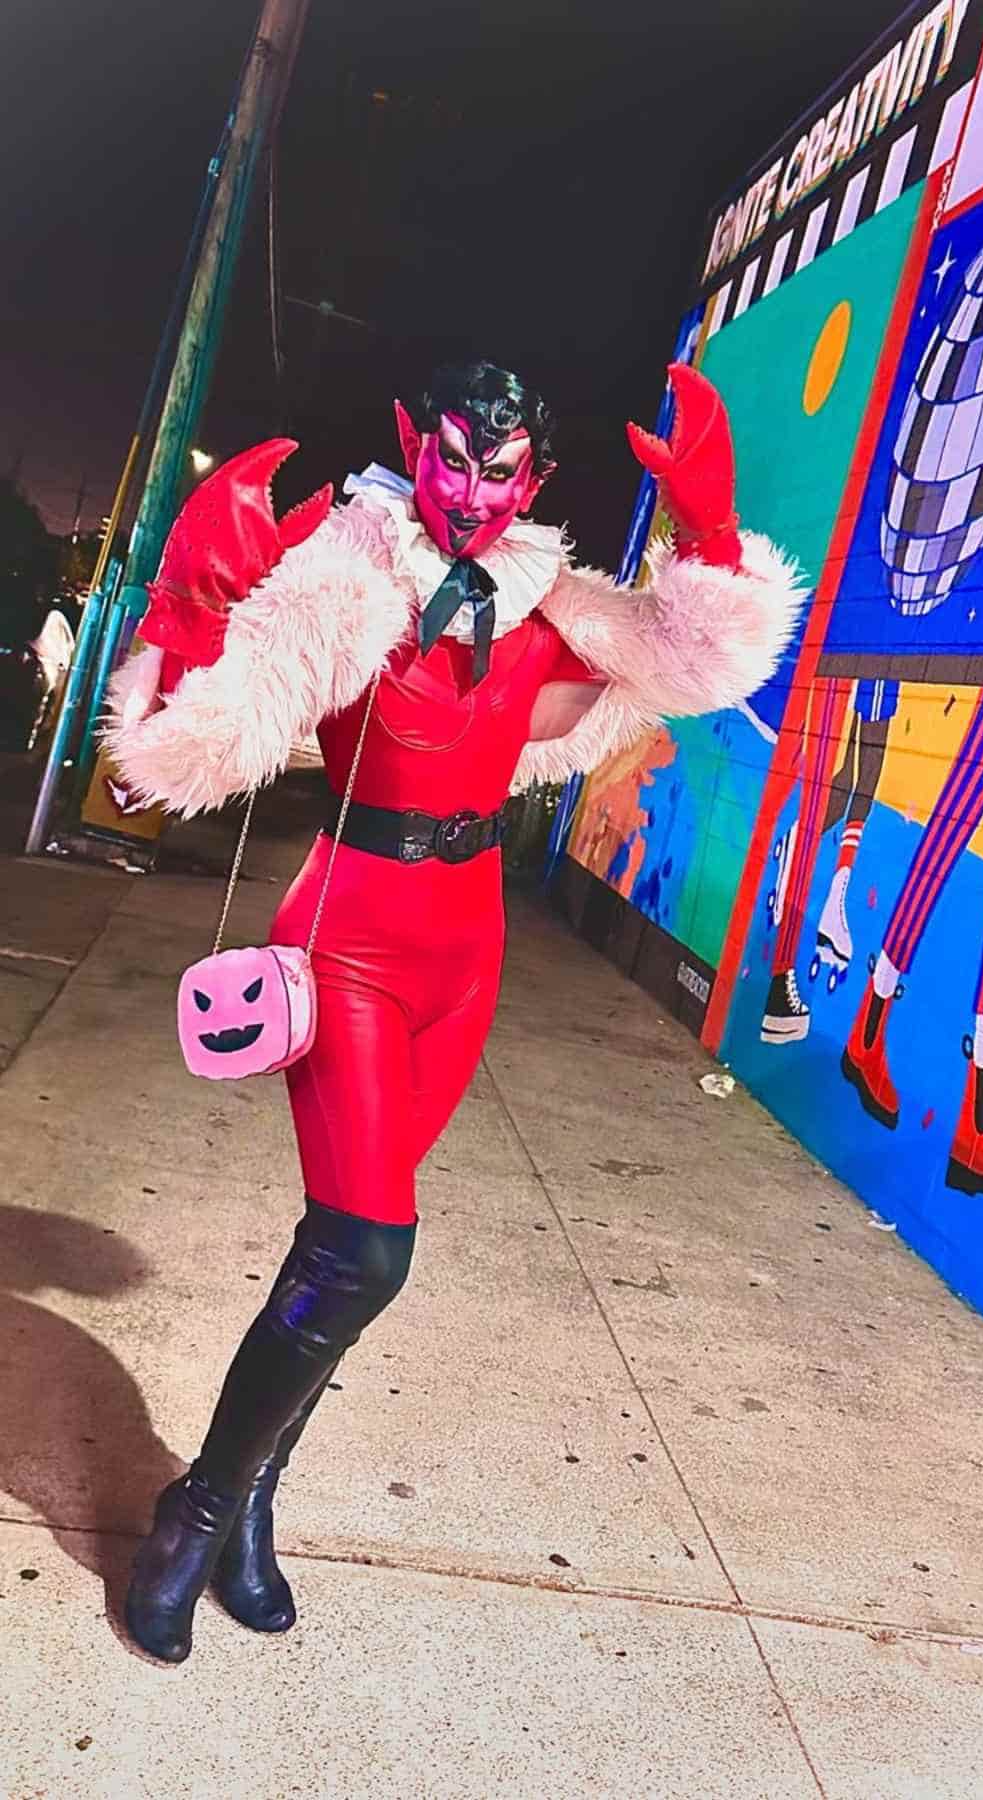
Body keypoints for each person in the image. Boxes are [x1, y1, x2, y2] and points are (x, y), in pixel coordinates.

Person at [105, 359, 801, 1662]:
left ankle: (252, 1500)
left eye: (504, 468)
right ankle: (195, 1510)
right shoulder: (339, 585)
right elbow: (188, 748)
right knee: (368, 1250)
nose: (475, 489)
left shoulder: (553, 606)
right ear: (409, 440)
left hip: (463, 948)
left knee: (343, 1257)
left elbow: (702, 664)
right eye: (455, 458)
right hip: (352, 935)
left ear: (534, 477)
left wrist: (711, 535)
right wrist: (193, 608)